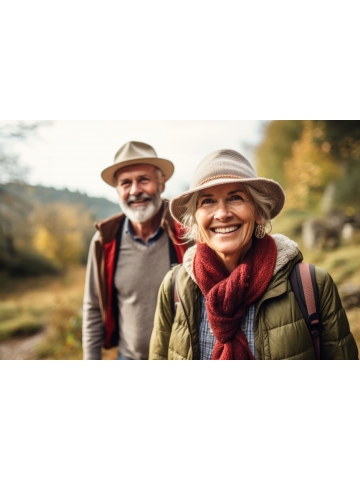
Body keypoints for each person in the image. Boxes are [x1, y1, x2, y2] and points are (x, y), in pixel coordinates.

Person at [149, 149, 359, 360]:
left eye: (236, 198)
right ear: (195, 219)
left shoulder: (313, 285)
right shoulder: (174, 287)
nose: (222, 214)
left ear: (258, 213)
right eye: (208, 201)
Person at [82, 141, 187, 360]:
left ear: (162, 184)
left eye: (144, 180)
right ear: (117, 190)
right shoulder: (105, 240)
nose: (135, 190)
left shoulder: (186, 232)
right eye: (125, 183)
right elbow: (92, 308)